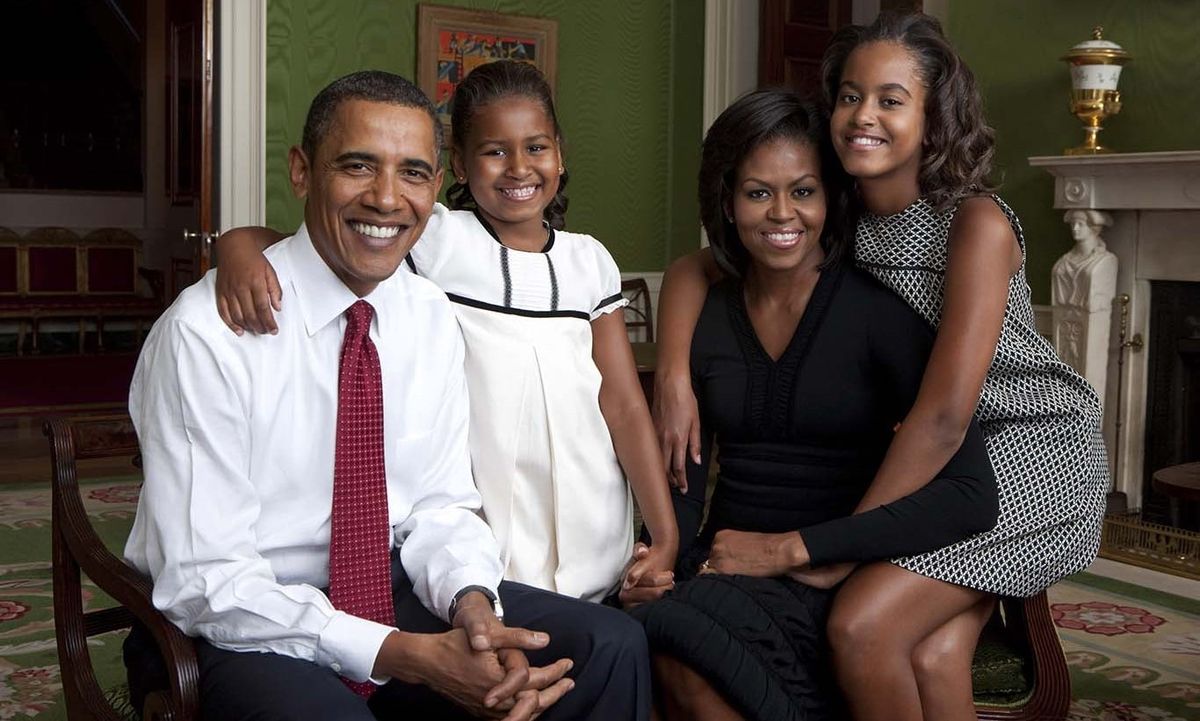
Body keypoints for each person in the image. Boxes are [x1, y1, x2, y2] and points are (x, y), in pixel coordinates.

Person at [123, 70, 650, 721]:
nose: (386, 198)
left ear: (436, 186)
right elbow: (207, 580)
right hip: (234, 622)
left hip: (384, 584)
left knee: (612, 645)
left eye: (413, 173)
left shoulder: (426, 313)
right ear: (301, 172)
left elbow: (440, 504)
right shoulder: (208, 332)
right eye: (357, 166)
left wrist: (472, 605)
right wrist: (407, 654)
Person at [653, 12, 1108, 721]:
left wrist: (836, 547)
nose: (864, 115)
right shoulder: (840, 210)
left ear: (934, 118)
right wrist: (676, 374)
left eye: (891, 100)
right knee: (934, 652)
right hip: (947, 454)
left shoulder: (974, 225)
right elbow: (697, 267)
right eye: (849, 96)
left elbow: (945, 415)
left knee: (860, 621)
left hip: (1030, 449)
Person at [211, 60, 678, 608]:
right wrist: (236, 246)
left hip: (590, 504)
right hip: (488, 519)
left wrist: (664, 536)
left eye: (536, 147)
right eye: (494, 151)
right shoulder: (436, 238)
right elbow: (319, 244)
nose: (518, 168)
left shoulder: (589, 261)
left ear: (560, 153)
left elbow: (622, 404)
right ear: (456, 163)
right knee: (513, 629)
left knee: (602, 642)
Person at [631, 89, 998, 721]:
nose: (782, 214)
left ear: (829, 199)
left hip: (829, 572)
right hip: (727, 560)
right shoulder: (708, 314)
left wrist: (811, 548)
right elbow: (683, 468)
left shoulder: (876, 311)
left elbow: (969, 492)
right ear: (726, 201)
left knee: (681, 639)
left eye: (803, 191)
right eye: (757, 193)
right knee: (653, 633)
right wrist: (655, 555)